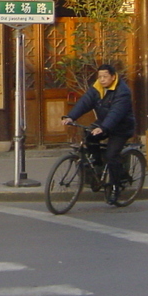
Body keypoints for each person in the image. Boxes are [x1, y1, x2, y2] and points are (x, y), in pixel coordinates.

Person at [61, 63, 137, 205]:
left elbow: (116, 113)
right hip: (103, 123)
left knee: (111, 155)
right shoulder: (97, 88)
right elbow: (85, 102)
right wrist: (71, 116)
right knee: (89, 137)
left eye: (105, 77)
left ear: (113, 77)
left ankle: (115, 188)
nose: (102, 80)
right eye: (100, 77)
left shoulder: (122, 91)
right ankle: (98, 165)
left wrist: (103, 127)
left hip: (121, 128)